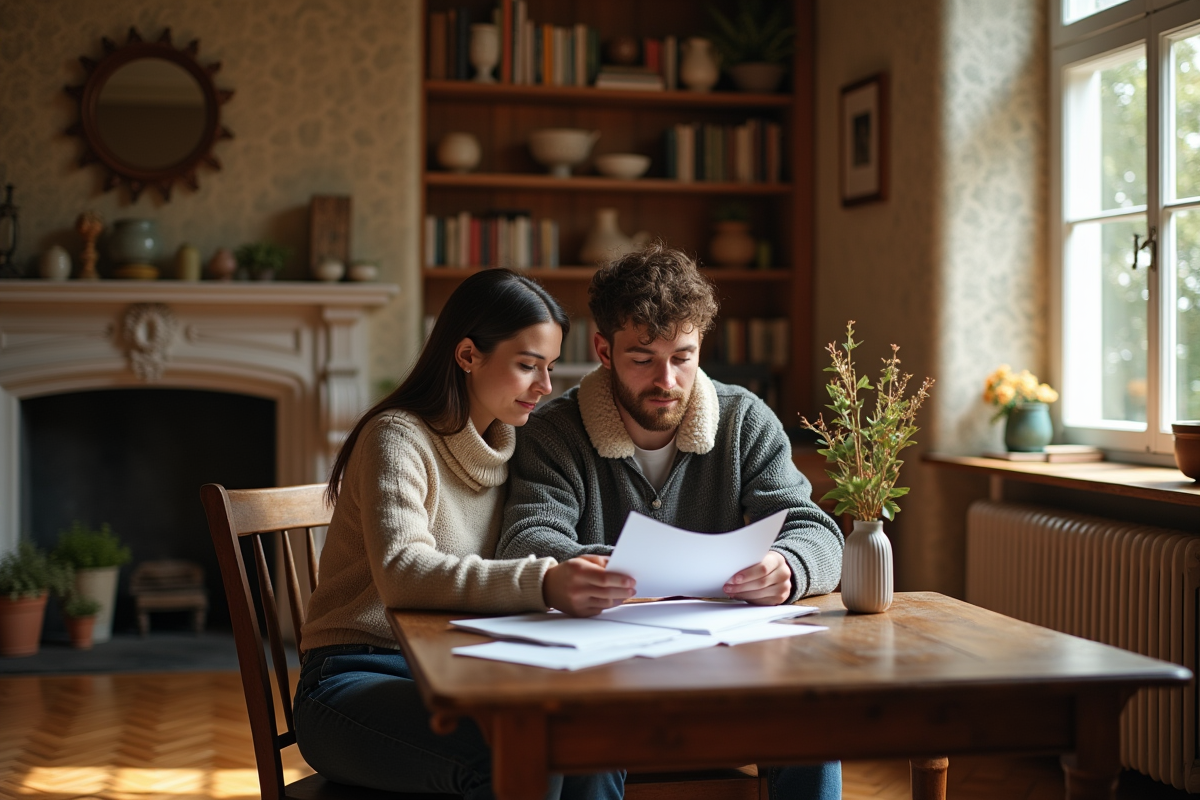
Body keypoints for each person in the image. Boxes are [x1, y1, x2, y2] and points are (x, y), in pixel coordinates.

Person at [498, 244, 845, 800]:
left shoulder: (744, 419)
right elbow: (526, 539)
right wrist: (606, 569)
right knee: (587, 737)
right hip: (603, 672)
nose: (667, 380)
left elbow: (815, 529)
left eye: (683, 357)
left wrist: (788, 565)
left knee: (814, 718)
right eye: (643, 359)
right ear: (604, 350)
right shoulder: (553, 433)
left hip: (729, 667)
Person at [294, 268, 631, 800]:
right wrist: (546, 582)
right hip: (353, 679)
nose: (545, 387)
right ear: (468, 355)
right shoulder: (397, 438)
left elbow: (535, 537)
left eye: (548, 368)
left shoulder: (511, 446)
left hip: (462, 671)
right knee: (520, 755)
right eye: (527, 366)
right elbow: (404, 572)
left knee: (591, 742)